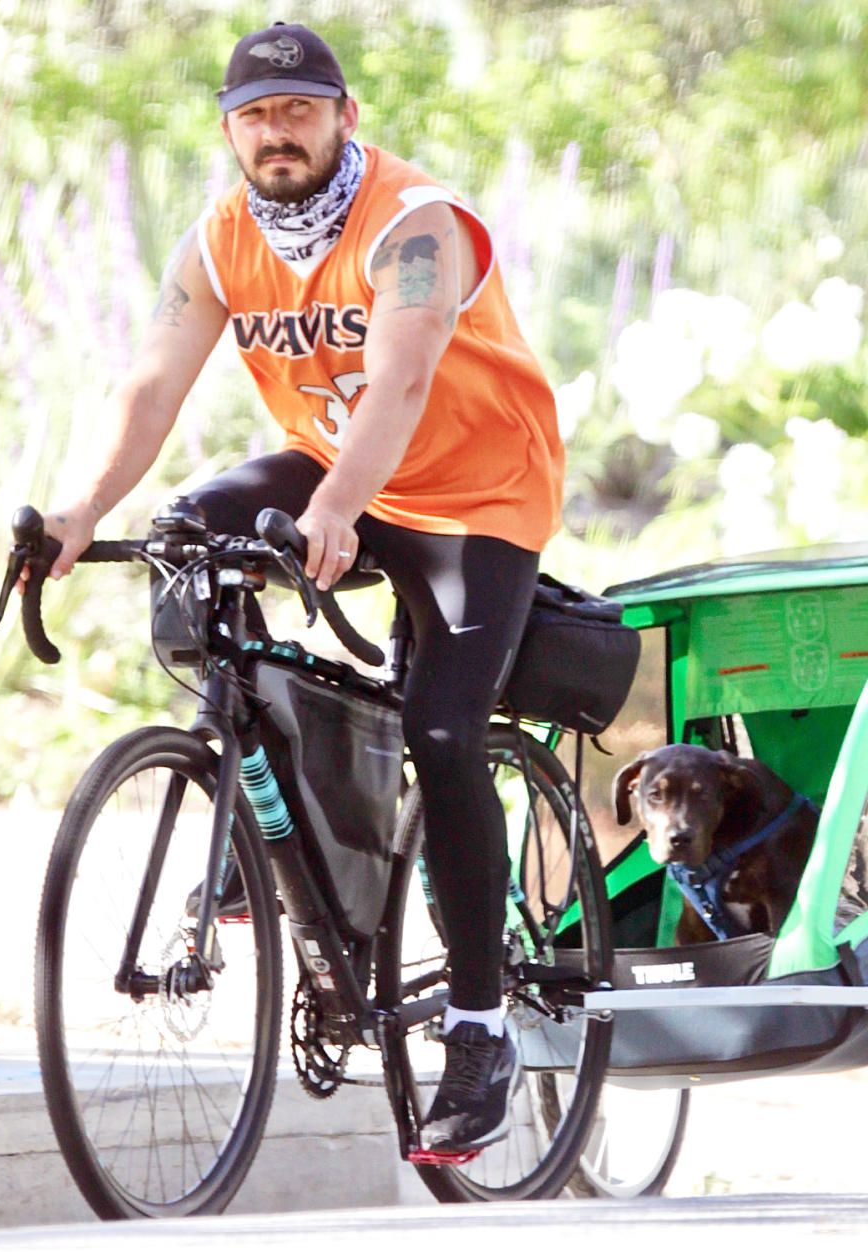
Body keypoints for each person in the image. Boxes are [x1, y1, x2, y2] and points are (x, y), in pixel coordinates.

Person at [34, 21, 564, 1154]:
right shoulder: (223, 238)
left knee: (442, 726)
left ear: (344, 118)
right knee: (186, 540)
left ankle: (480, 1028)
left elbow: (406, 372)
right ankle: (248, 798)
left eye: (298, 112)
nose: (275, 135)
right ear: (230, 129)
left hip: (477, 494)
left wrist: (335, 507)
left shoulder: (417, 225)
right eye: (254, 117)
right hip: (345, 473)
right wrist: (81, 511)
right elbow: (151, 387)